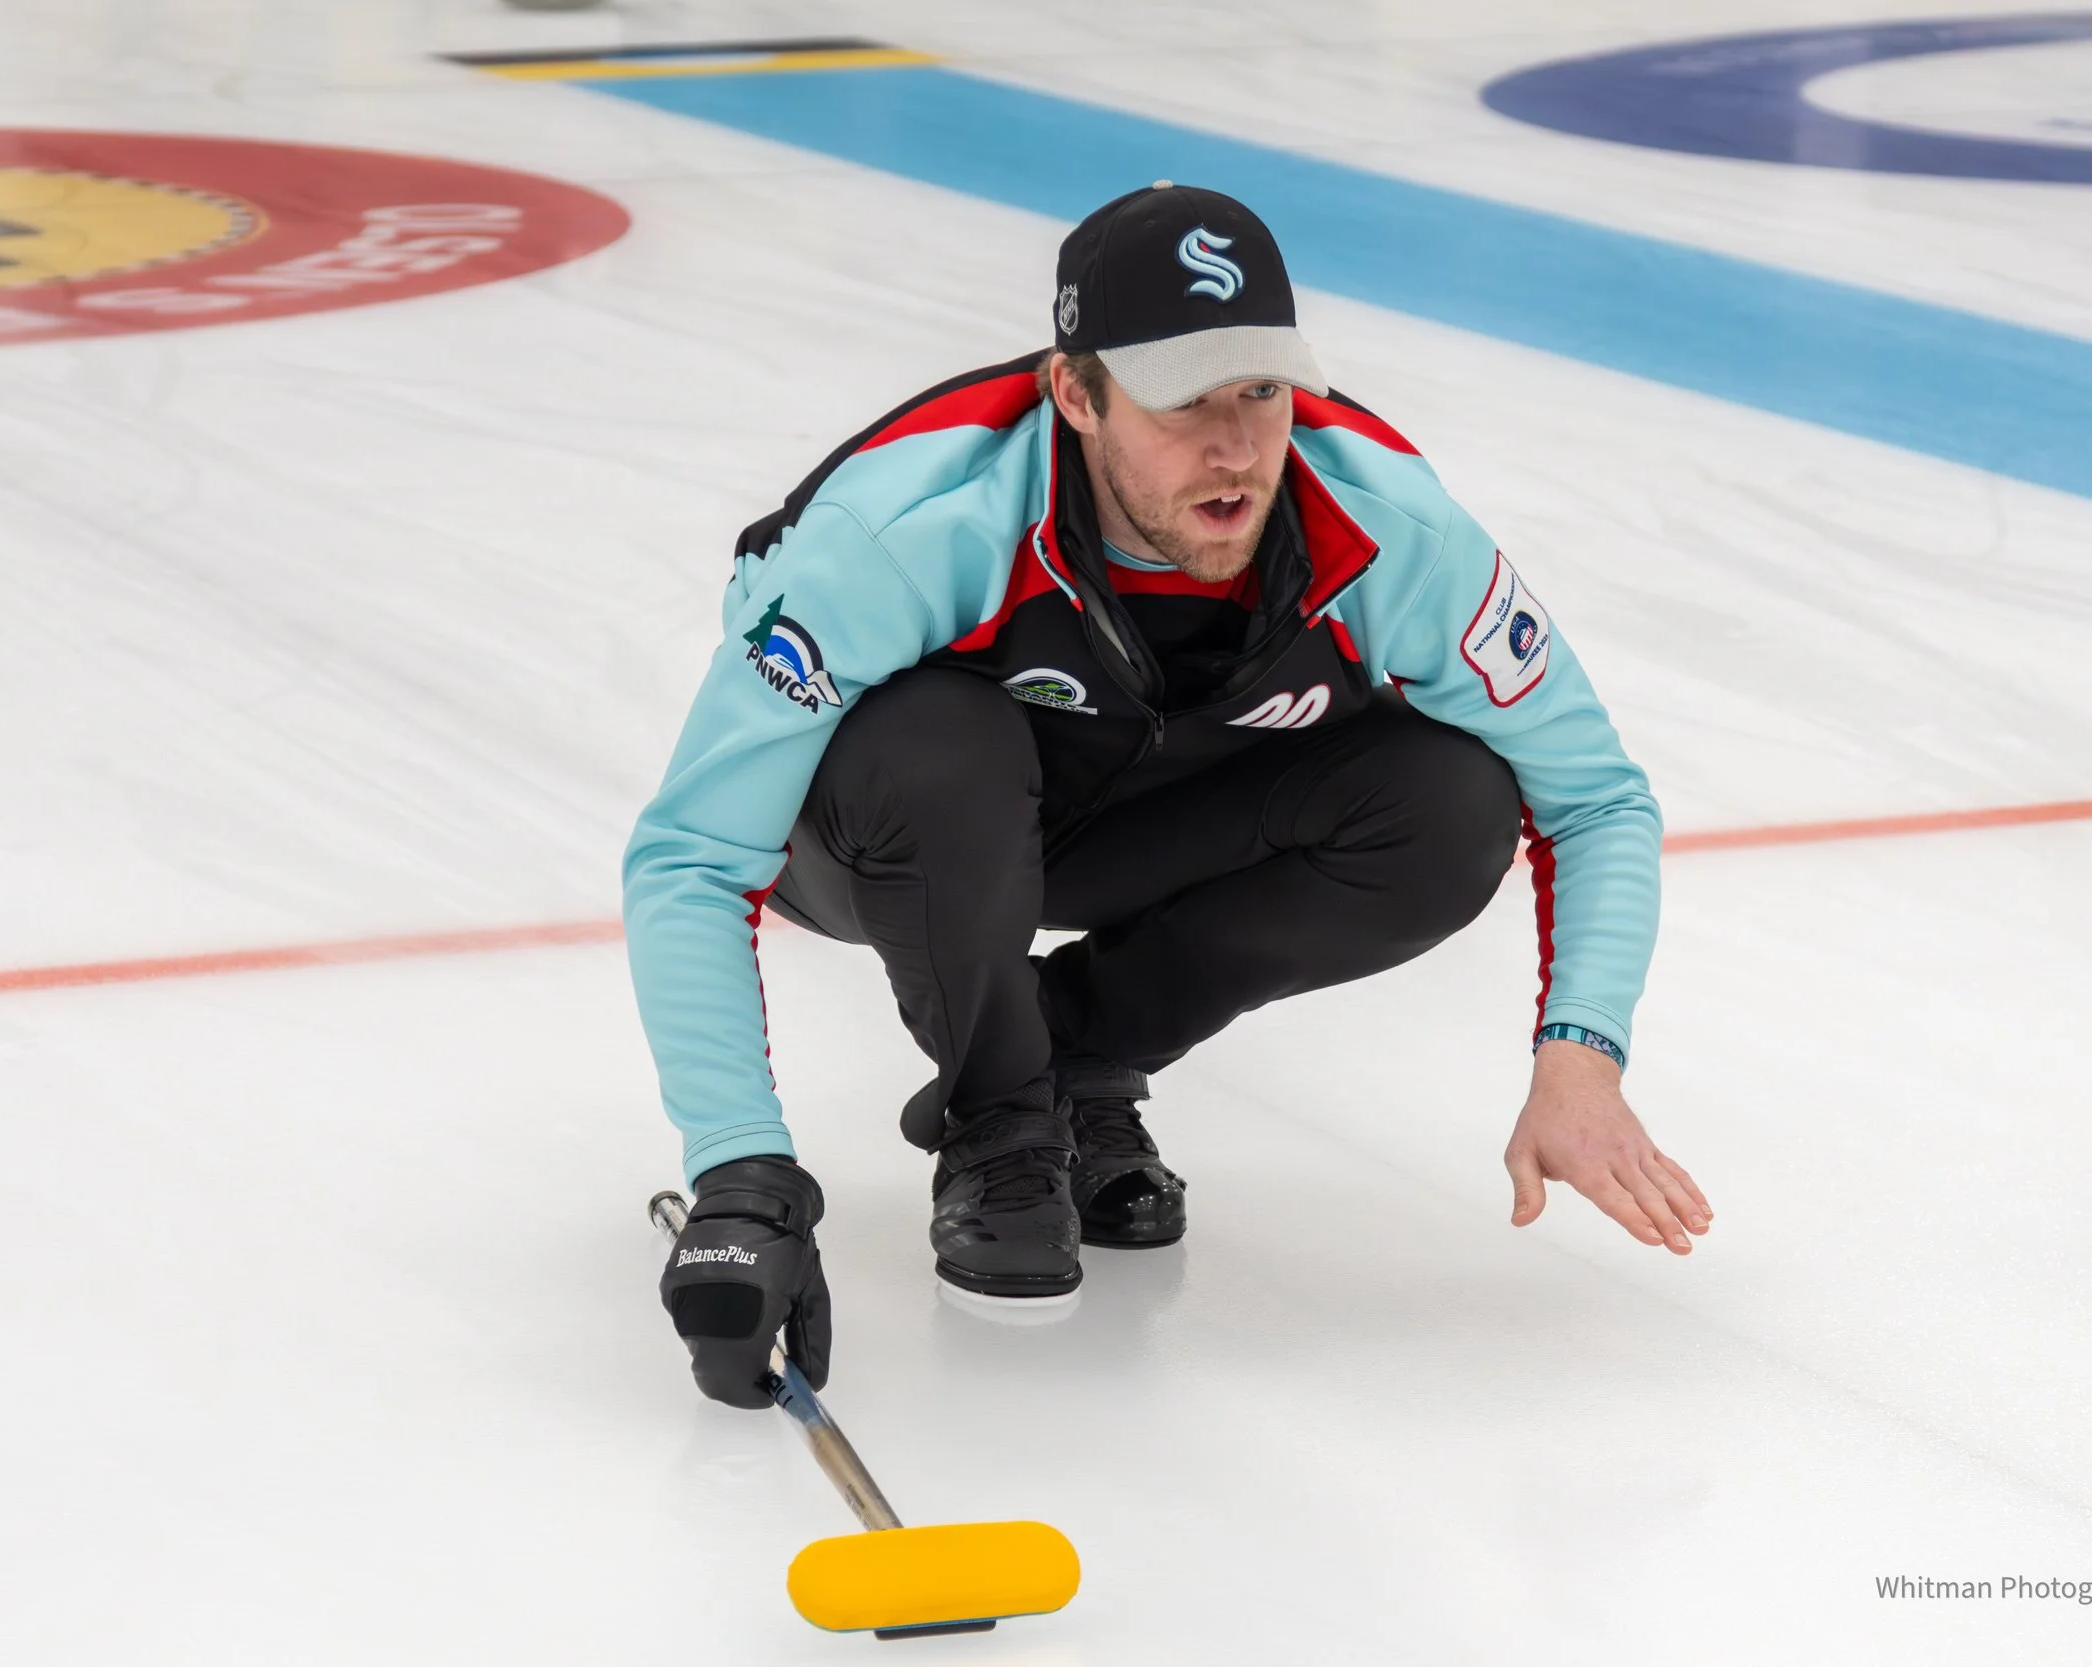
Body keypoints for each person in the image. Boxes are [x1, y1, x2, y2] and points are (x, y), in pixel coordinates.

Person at [624, 182, 1709, 1407]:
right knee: (942, 738)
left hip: (1142, 813)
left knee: (1450, 801)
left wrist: (1581, 1056)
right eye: (1182, 399)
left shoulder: (1392, 534)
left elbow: (1596, 799)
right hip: (890, 827)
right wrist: (740, 1175)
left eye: (1260, 391)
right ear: (1076, 395)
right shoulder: (910, 528)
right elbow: (693, 856)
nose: (1237, 446)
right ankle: (1000, 1120)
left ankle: (1068, 1061)